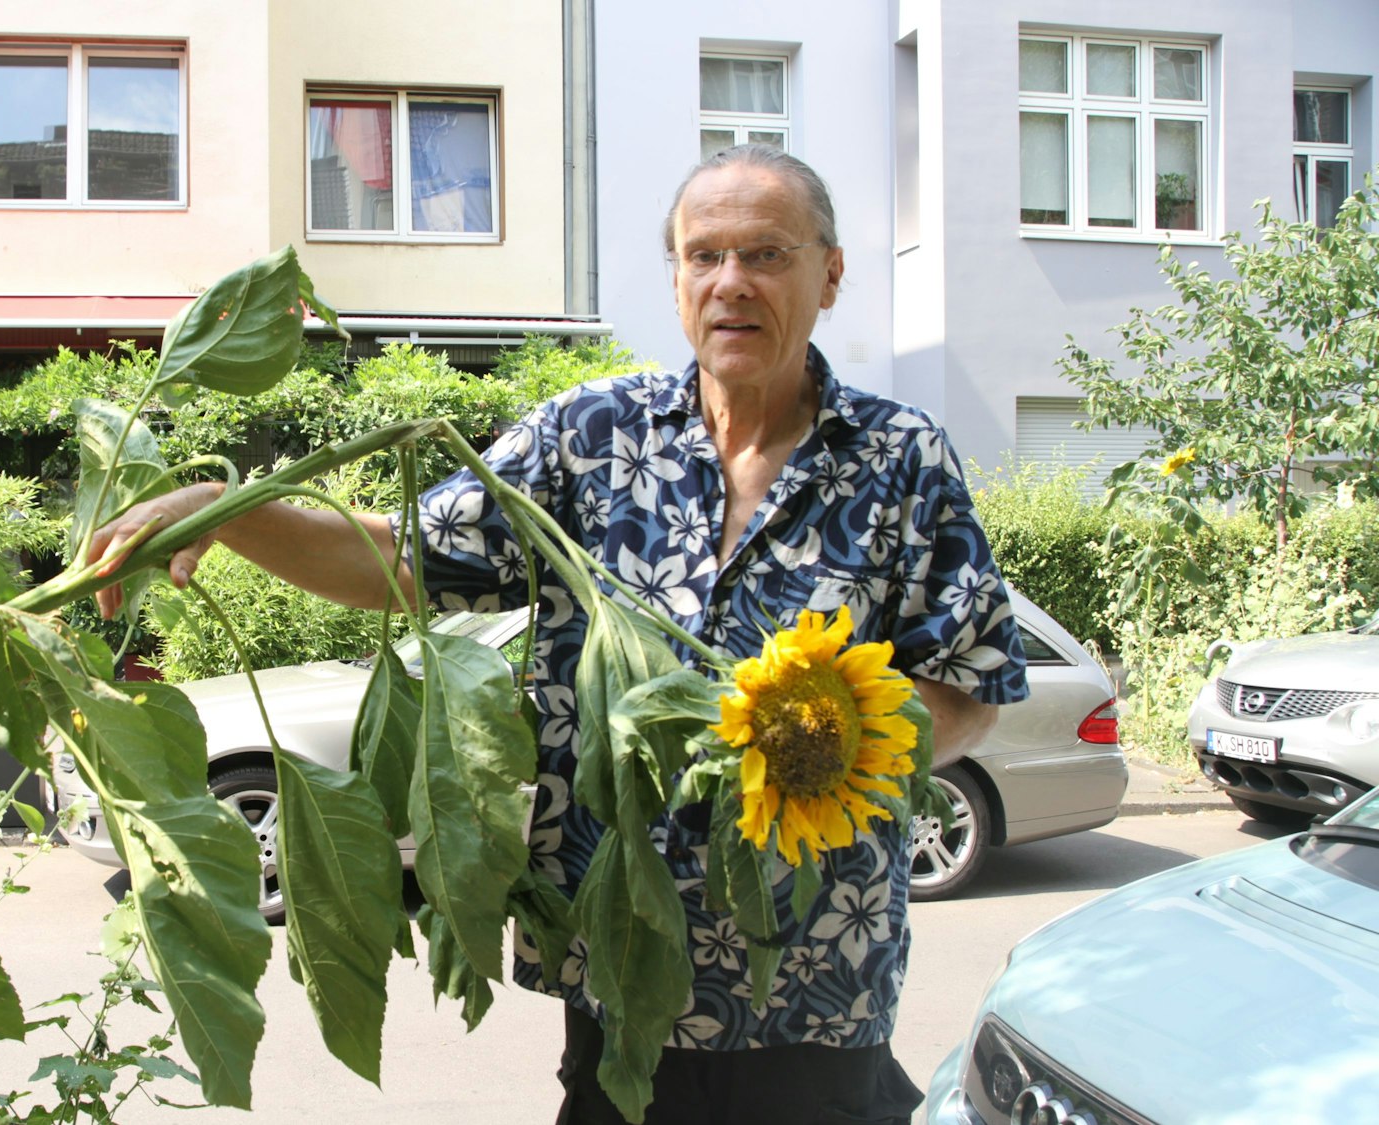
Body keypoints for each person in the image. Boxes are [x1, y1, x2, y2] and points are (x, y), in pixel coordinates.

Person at [88, 145, 1028, 1125]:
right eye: (702, 256)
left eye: (765, 254)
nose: (730, 283)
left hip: (810, 975)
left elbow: (967, 687)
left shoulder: (898, 457)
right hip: (615, 963)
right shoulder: (592, 435)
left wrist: (821, 740)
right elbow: (404, 559)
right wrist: (226, 508)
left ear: (827, 274)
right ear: (674, 279)